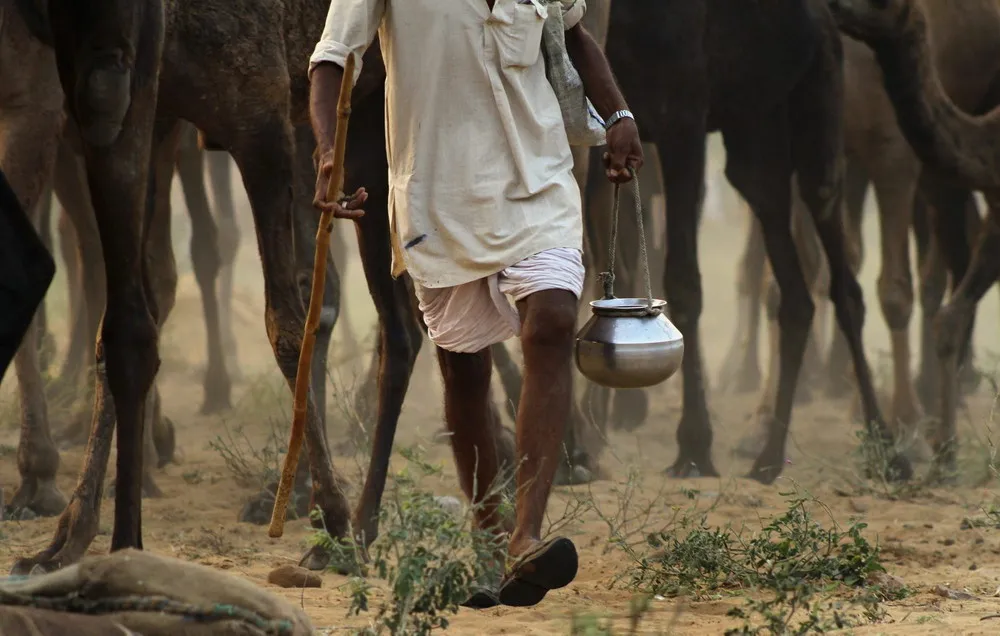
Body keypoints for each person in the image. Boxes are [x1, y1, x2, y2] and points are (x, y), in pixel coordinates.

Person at [309, 0, 643, 608]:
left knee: (552, 322)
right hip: (437, 193)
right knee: (463, 366)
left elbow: (573, 37)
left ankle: (526, 535)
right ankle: (487, 535)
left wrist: (618, 111)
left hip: (538, 176)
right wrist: (329, 153)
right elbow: (333, 59)